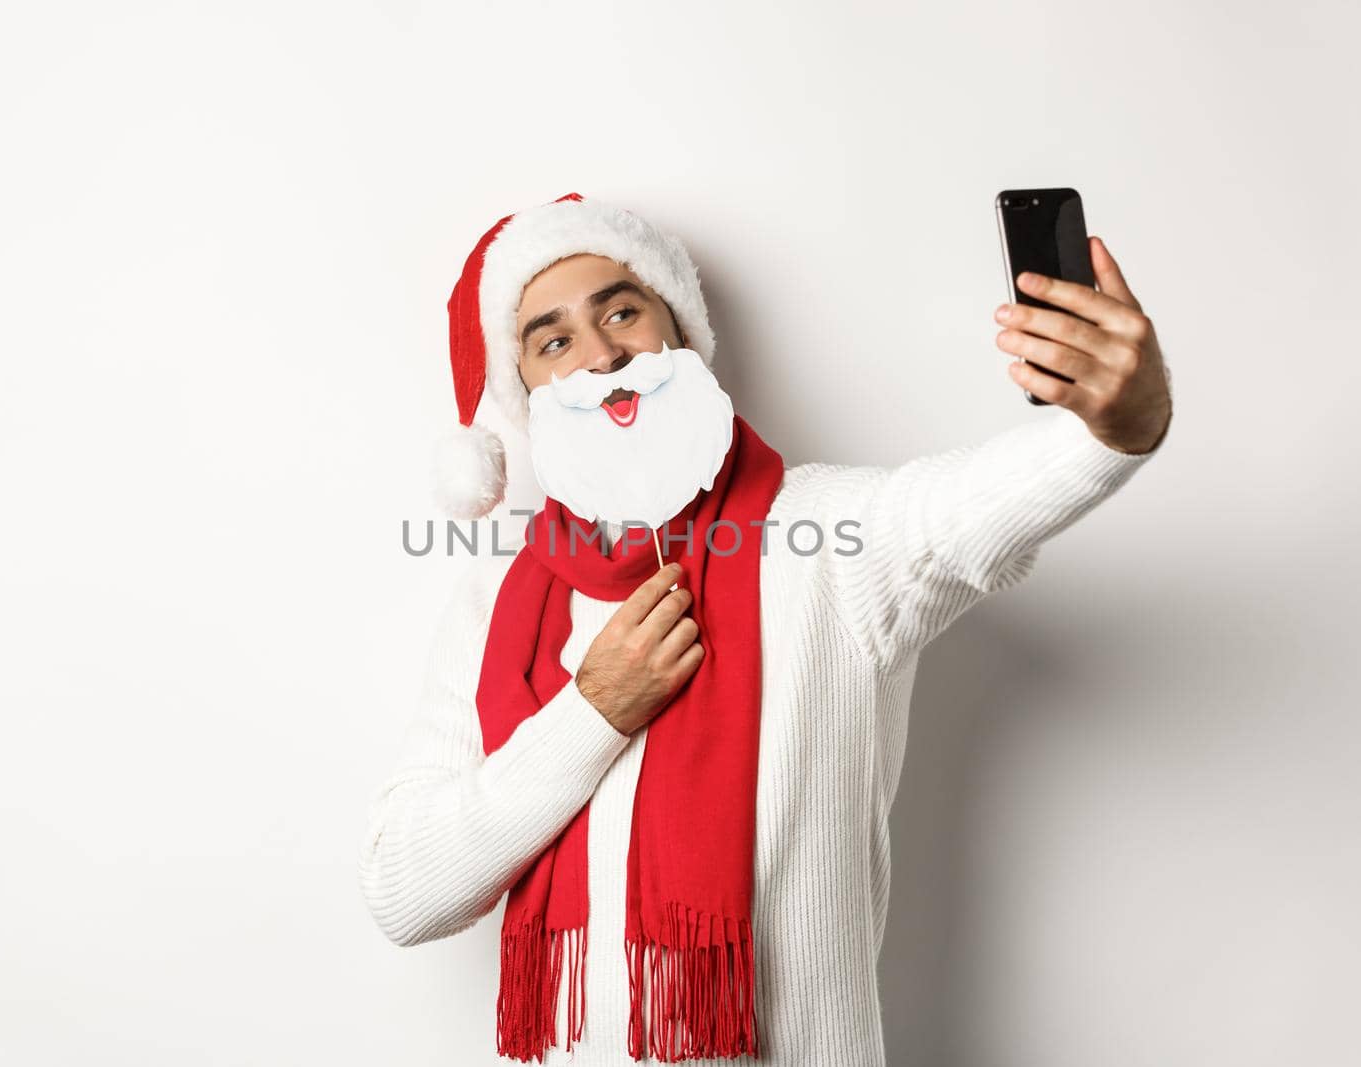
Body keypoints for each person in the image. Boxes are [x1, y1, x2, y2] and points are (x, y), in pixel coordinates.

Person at [358, 192, 1173, 1066]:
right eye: (553, 341)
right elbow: (405, 890)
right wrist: (593, 709)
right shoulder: (500, 600)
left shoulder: (827, 541)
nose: (600, 357)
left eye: (622, 311)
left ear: (680, 337)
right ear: (525, 398)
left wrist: (1119, 425)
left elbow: (972, 506)